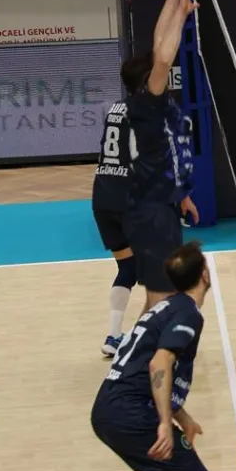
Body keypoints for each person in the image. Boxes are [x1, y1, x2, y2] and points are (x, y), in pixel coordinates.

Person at [91, 242, 220, 471]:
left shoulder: (165, 307)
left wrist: (183, 417)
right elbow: (158, 363)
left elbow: (144, 367)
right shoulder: (188, 314)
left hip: (108, 408)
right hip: (133, 412)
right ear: (204, 274)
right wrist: (165, 422)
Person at [121, 0, 200, 312]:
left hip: (162, 206)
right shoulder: (148, 102)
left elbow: (158, 44)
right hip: (150, 212)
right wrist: (182, 15)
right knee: (160, 297)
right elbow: (164, 56)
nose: (160, 70)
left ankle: (146, 342)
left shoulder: (154, 103)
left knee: (165, 293)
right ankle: (140, 347)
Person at [94, 99, 139, 357]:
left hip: (102, 197)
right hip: (127, 200)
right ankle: (157, 337)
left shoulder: (115, 108)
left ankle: (114, 336)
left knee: (128, 268)